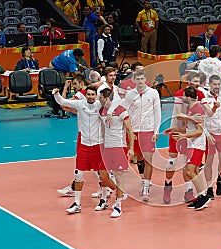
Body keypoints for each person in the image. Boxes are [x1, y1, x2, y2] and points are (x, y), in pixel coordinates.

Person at [53, 86, 110, 214]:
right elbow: (63, 101)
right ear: (86, 95)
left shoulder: (100, 105)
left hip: (98, 145)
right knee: (78, 174)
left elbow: (113, 106)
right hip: (84, 145)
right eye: (88, 94)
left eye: (92, 94)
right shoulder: (79, 104)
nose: (90, 96)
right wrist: (56, 94)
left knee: (102, 174)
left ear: (96, 96)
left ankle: (104, 200)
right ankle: (77, 203)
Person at [162, 72, 205, 204]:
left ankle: (189, 191)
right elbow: (179, 115)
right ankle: (167, 187)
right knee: (171, 162)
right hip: (177, 130)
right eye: (193, 82)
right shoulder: (180, 94)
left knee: (188, 164)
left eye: (198, 82)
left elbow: (203, 114)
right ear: (188, 82)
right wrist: (192, 118)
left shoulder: (201, 94)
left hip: (189, 134)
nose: (196, 84)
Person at [123, 70, 161, 201]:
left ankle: (146, 186)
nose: (140, 81)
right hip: (134, 131)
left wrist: (156, 131)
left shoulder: (153, 93)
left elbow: (157, 113)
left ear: (145, 79)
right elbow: (124, 112)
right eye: (137, 79)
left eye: (142, 78)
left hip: (148, 130)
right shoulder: (129, 95)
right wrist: (127, 130)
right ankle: (144, 178)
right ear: (133, 80)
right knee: (139, 157)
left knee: (149, 159)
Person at [172, 87, 211, 210]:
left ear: (188, 97)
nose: (182, 98)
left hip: (197, 145)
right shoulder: (191, 109)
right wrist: (174, 131)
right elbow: (190, 127)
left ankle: (203, 196)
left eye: (183, 96)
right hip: (191, 144)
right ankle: (201, 196)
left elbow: (199, 131)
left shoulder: (197, 109)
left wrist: (183, 135)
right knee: (190, 171)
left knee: (189, 170)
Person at [98, 88, 134, 218]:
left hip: (119, 147)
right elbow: (103, 128)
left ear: (106, 98)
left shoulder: (121, 111)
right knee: (102, 175)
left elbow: (130, 130)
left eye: (100, 97)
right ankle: (120, 193)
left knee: (119, 177)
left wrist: (131, 148)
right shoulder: (102, 111)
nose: (99, 100)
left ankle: (118, 206)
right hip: (107, 148)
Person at [202, 75, 221, 198]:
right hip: (210, 133)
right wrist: (206, 134)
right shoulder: (204, 98)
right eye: (214, 84)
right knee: (208, 161)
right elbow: (202, 118)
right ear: (209, 84)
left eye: (219, 84)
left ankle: (220, 178)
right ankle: (209, 187)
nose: (217, 86)